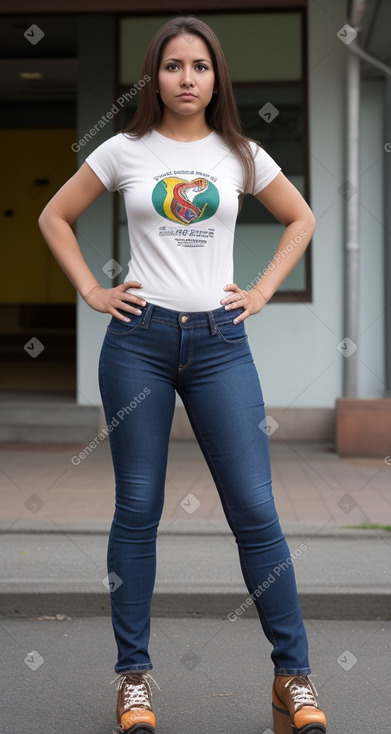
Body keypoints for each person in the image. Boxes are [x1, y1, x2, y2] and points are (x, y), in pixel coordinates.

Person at [38, 15, 327, 734]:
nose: (186, 78)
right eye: (173, 66)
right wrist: (93, 291)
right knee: (137, 509)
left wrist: (258, 292)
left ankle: (292, 677)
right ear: (154, 75)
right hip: (136, 341)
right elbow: (53, 215)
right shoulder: (125, 150)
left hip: (220, 344)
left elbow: (300, 219)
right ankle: (133, 681)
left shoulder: (241, 153)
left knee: (255, 511)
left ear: (215, 76)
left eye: (199, 66)